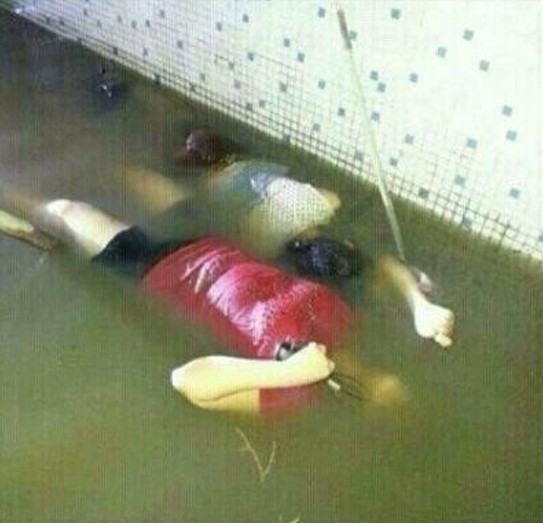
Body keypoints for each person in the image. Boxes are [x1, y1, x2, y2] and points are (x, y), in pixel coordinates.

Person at [6, 194, 454, 415]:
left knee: (64, 210)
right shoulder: (347, 321)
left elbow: (188, 381)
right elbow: (381, 269)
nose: (386, 381)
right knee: (142, 174)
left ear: (363, 403)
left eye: (384, 394)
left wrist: (287, 373)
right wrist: (421, 307)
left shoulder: (294, 389)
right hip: (209, 238)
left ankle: (14, 207)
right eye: (396, 381)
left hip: (156, 268)